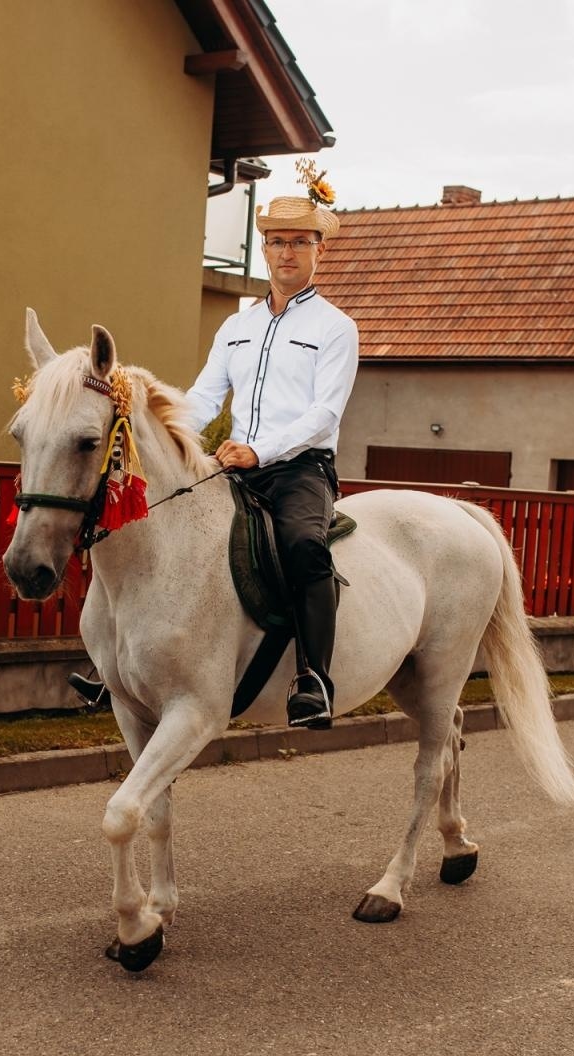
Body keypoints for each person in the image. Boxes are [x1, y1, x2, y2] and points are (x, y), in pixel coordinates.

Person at [183, 167, 360, 729]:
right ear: (264, 248)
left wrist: (260, 451)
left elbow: (324, 414)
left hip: (300, 468)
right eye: (278, 241)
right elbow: (204, 397)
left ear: (318, 251)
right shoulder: (238, 326)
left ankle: (314, 681)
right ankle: (133, 665)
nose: (287, 252)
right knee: (163, 527)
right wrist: (166, 439)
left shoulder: (337, 328)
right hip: (232, 464)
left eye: (300, 242)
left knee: (304, 546)